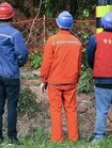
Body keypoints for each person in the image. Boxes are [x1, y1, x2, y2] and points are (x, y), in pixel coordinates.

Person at [0, 0, 28, 145]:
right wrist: (18, 63)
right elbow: (23, 54)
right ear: (12, 16)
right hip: (11, 75)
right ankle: (12, 137)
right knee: (12, 107)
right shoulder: (14, 34)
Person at [39, 11, 83, 143]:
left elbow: (47, 62)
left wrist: (43, 79)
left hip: (54, 82)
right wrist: (76, 78)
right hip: (71, 82)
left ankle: (57, 139)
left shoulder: (52, 41)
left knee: (56, 110)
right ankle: (74, 138)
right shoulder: (77, 42)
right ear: (71, 25)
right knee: (71, 110)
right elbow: (78, 63)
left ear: (58, 24)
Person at [86, 12, 112, 142]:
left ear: (102, 24)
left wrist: (96, 68)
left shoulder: (95, 38)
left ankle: (99, 138)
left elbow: (89, 57)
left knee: (102, 111)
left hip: (102, 80)